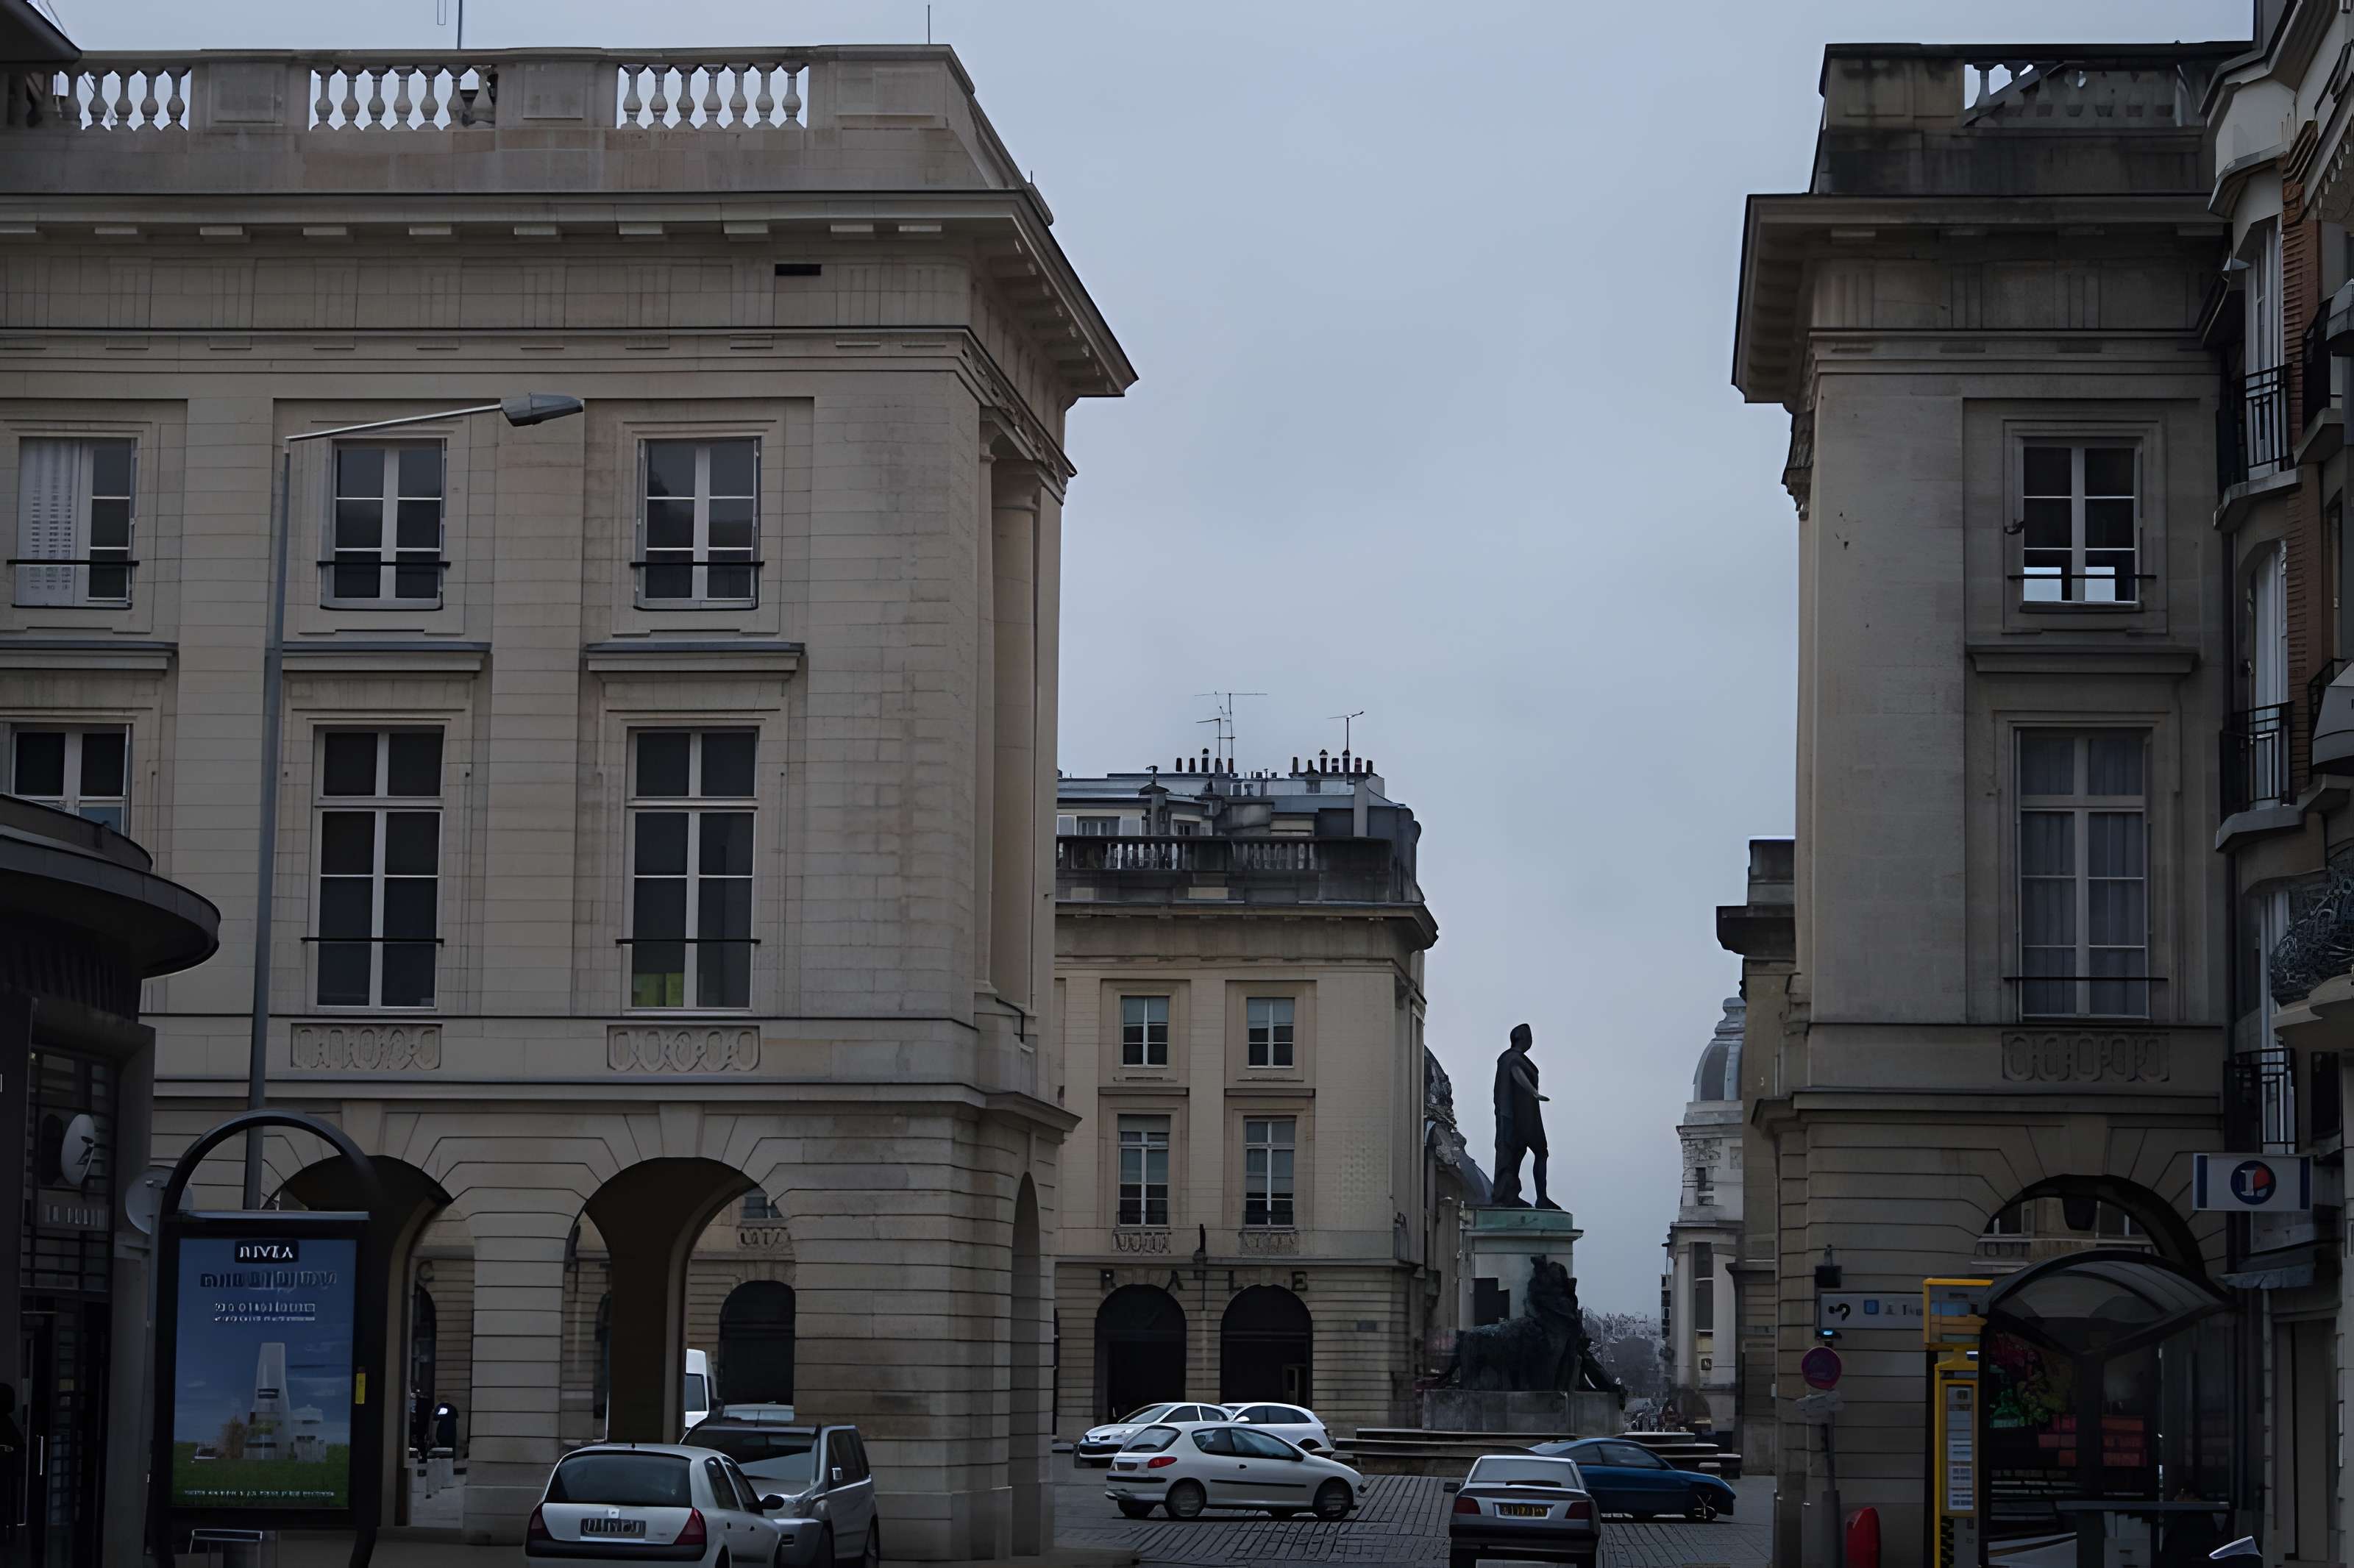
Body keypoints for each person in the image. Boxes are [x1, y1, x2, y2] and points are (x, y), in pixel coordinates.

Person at [1491, 1023, 1560, 1209]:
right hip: (1521, 1117)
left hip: (1521, 1115)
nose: (1531, 1040)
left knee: (1516, 1154)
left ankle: (1510, 1195)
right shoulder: (1511, 1058)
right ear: (1523, 1039)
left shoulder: (1511, 1058)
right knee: (1539, 1152)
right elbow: (1517, 1073)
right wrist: (1534, 1093)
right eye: (1529, 1037)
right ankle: (1539, 1198)